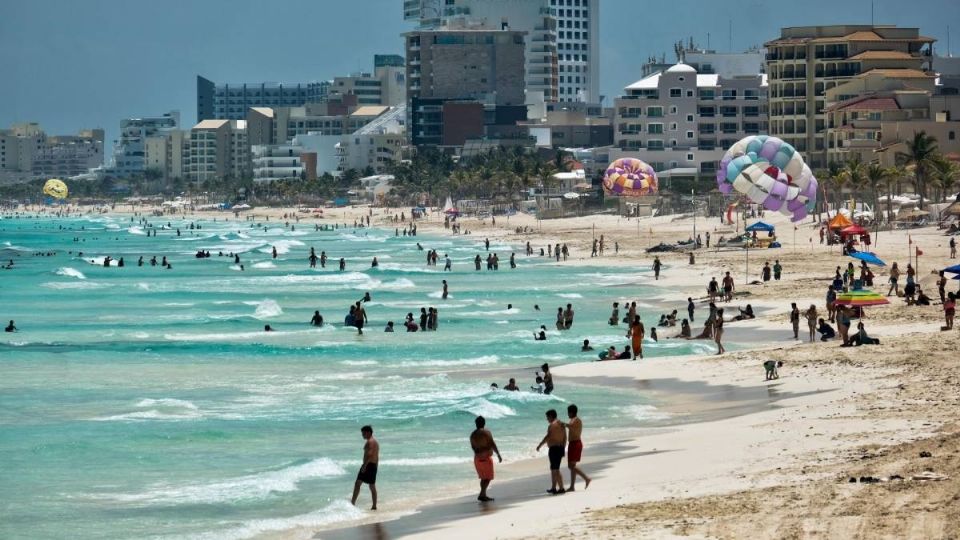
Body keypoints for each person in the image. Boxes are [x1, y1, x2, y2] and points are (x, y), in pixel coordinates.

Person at [470, 416, 502, 502]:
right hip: (486, 458)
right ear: (484, 423)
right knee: (488, 478)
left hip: (477, 459)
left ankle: (483, 494)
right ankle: (482, 494)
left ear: (476, 424)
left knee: (483, 478)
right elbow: (492, 444)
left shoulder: (472, 435)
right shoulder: (486, 432)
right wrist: (498, 454)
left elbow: (473, 447)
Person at [536, 409, 567, 495]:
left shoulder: (552, 425)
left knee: (555, 469)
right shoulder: (562, 424)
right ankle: (554, 488)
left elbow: (548, 437)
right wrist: (563, 448)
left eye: (547, 417)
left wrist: (540, 445)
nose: (547, 419)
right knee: (554, 469)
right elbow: (565, 437)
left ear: (551, 416)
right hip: (560, 448)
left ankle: (561, 488)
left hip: (554, 449)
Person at [564, 404, 591, 491]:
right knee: (572, 466)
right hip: (573, 444)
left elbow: (571, 426)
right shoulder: (573, 419)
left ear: (571, 412)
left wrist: (563, 424)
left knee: (571, 466)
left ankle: (586, 478)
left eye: (568, 412)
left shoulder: (576, 420)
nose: (567, 414)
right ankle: (572, 486)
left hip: (576, 444)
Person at [351, 426, 379, 510]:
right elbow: (376, 456)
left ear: (369, 432)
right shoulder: (375, 442)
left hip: (368, 465)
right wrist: (375, 466)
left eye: (363, 433)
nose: (362, 435)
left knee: (357, 484)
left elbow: (369, 455)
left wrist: (364, 466)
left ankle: (352, 504)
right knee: (372, 486)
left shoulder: (370, 442)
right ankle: (374, 506)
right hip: (373, 465)